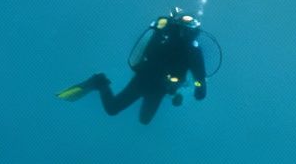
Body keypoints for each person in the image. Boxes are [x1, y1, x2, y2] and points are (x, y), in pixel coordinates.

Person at [57, 7, 209, 124]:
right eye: (186, 31)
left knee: (144, 120)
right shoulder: (169, 41)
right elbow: (199, 83)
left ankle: (100, 83)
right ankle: (100, 82)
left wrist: (193, 89)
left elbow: (199, 80)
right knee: (113, 109)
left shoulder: (192, 52)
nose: (187, 35)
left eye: (190, 32)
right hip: (144, 81)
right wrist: (197, 89)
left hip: (159, 88)